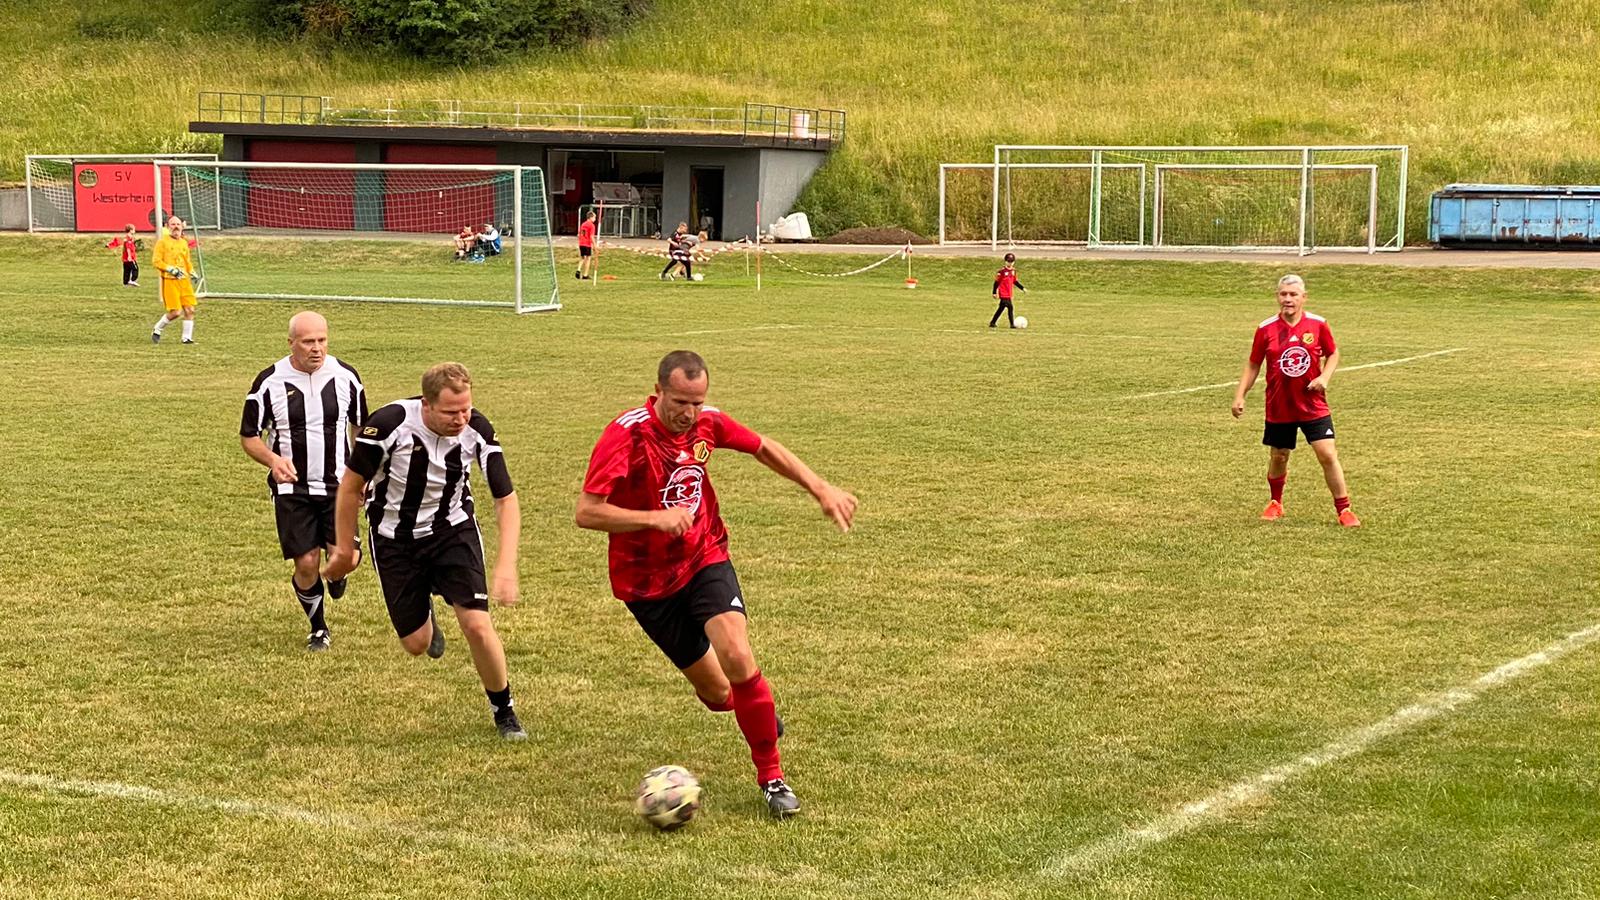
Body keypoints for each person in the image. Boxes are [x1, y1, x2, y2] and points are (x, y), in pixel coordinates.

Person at [576, 350, 859, 818]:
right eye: (679, 402)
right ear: (658, 392)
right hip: (645, 583)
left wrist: (821, 487)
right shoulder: (626, 435)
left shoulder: (707, 423)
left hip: (703, 556)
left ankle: (772, 779)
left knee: (738, 656)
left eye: (697, 402)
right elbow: (587, 512)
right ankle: (756, 712)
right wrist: (654, 518)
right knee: (718, 693)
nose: (689, 413)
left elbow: (763, 447)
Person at [323, 362, 528, 740]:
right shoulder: (388, 425)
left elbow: (506, 499)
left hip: (452, 531)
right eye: (451, 412)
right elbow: (350, 488)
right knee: (416, 645)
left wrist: (506, 565)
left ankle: (504, 711)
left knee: (477, 624)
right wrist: (345, 547)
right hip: (394, 539)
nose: (461, 419)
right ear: (427, 404)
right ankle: (426, 608)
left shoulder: (477, 430)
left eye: (466, 409)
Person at [240, 311, 368, 651]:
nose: (317, 348)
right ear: (291, 343)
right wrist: (273, 460)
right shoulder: (268, 382)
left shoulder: (346, 377)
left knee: (346, 559)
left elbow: (361, 428)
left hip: (339, 485)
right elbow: (249, 437)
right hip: (291, 488)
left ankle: (338, 574)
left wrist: (363, 475)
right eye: (308, 342)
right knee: (307, 562)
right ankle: (318, 628)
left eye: (322, 340)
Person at [1231, 274, 1360, 527]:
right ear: (1277, 297)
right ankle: (1275, 503)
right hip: (1279, 405)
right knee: (1279, 456)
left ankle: (1344, 509)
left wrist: (1324, 377)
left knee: (1327, 454)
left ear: (1304, 297)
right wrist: (1240, 395)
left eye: (1293, 294)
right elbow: (1254, 363)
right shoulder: (1265, 328)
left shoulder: (1318, 324)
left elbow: (1333, 353)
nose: (1287, 299)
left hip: (1313, 404)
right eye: (1283, 294)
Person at [151, 216, 197, 344]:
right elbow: (156, 261)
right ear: (167, 226)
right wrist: (170, 269)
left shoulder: (183, 242)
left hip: (184, 280)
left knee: (190, 309)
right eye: (173, 224)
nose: (176, 227)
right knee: (176, 312)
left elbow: (187, 260)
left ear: (182, 226)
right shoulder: (162, 242)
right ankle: (158, 328)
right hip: (170, 280)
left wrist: (191, 271)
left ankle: (186, 338)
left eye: (178, 224)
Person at [990, 252, 1026, 328]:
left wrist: (1022, 288)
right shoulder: (1001, 272)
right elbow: (996, 282)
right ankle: (1012, 324)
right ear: (1005, 261)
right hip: (1003, 293)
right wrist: (994, 292)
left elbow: (1015, 281)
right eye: (1008, 261)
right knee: (1010, 307)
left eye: (1011, 261)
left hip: (1009, 293)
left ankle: (992, 322)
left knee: (1001, 308)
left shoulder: (1013, 271)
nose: (1010, 263)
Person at [576, 210, 598, 280]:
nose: (595, 219)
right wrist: (595, 245)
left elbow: (579, 234)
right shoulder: (591, 225)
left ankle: (578, 269)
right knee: (588, 258)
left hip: (581, 243)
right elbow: (591, 236)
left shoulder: (583, 224)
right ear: (590, 217)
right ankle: (585, 275)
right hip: (587, 244)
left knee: (582, 258)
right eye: (594, 217)